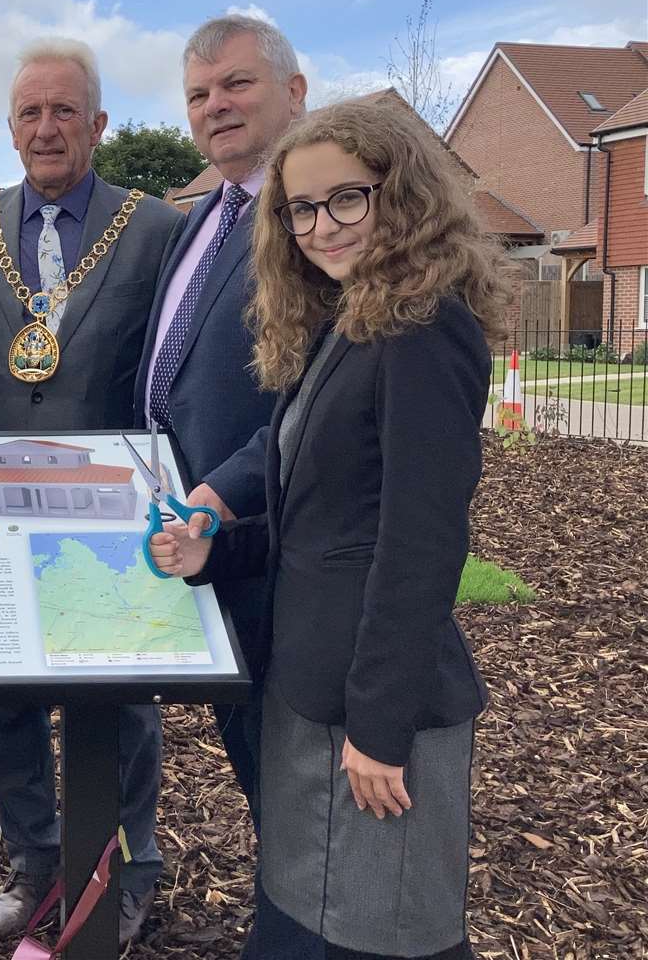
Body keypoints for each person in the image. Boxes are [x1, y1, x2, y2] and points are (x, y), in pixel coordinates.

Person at [150, 99, 508, 959]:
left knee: (380, 935)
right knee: (300, 926)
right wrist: (213, 549)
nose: (321, 226)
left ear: (403, 192)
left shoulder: (425, 331)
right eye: (301, 208)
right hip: (311, 690)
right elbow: (318, 517)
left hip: (373, 712)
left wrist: (378, 728)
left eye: (347, 198)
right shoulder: (347, 324)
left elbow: (420, 545)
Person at [0, 37, 186, 947]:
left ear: (99, 123)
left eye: (64, 110)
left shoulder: (158, 229)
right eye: (29, 113)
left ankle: (129, 864)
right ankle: (36, 860)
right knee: (6, 697)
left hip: (111, 511)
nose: (47, 128)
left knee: (118, 699)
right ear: (10, 130)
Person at [133, 14, 308, 822]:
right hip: (199, 536)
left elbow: (317, 396)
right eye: (199, 93)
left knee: (297, 781)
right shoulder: (202, 216)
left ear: (294, 91)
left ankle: (313, 937)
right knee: (256, 764)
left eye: (237, 83)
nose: (216, 105)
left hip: (273, 538)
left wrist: (217, 492)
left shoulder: (317, 216)